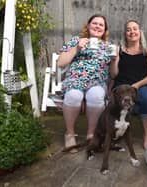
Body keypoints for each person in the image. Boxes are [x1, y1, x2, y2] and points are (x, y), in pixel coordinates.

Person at [57, 14, 111, 153]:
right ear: (88, 25)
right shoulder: (76, 40)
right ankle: (69, 134)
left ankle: (91, 134)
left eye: (101, 25)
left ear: (105, 30)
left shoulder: (108, 47)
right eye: (95, 23)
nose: (97, 26)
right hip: (76, 79)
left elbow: (114, 73)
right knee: (74, 96)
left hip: (97, 82)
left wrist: (115, 59)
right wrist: (76, 49)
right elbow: (61, 63)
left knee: (97, 96)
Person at [109, 20, 147, 149]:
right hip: (121, 86)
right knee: (115, 101)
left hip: (139, 86)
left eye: (135, 29)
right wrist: (113, 61)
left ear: (140, 32)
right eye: (128, 29)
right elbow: (113, 75)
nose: (132, 32)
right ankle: (114, 134)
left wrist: (136, 85)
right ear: (125, 34)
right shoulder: (119, 50)